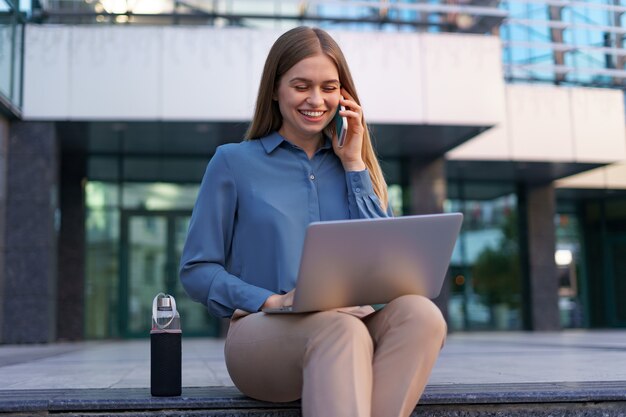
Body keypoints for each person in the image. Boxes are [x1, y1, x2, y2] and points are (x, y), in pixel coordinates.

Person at [179, 26, 447, 417]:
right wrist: (270, 300)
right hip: (263, 336)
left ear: (344, 95)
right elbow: (197, 270)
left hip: (352, 326)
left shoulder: (355, 169)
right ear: (275, 89)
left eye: (329, 87)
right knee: (342, 330)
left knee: (422, 314)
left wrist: (355, 165)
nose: (316, 100)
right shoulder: (233, 162)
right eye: (301, 86)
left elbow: (389, 267)